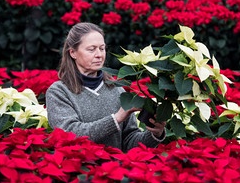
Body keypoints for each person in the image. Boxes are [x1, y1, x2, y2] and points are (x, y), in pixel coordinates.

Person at [45, 22, 166, 152]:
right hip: (78, 170)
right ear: (73, 52)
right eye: (91, 49)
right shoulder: (58, 92)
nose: (99, 54)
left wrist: (154, 134)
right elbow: (70, 134)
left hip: (114, 170)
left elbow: (128, 141)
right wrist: (116, 118)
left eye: (102, 48)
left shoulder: (117, 90)